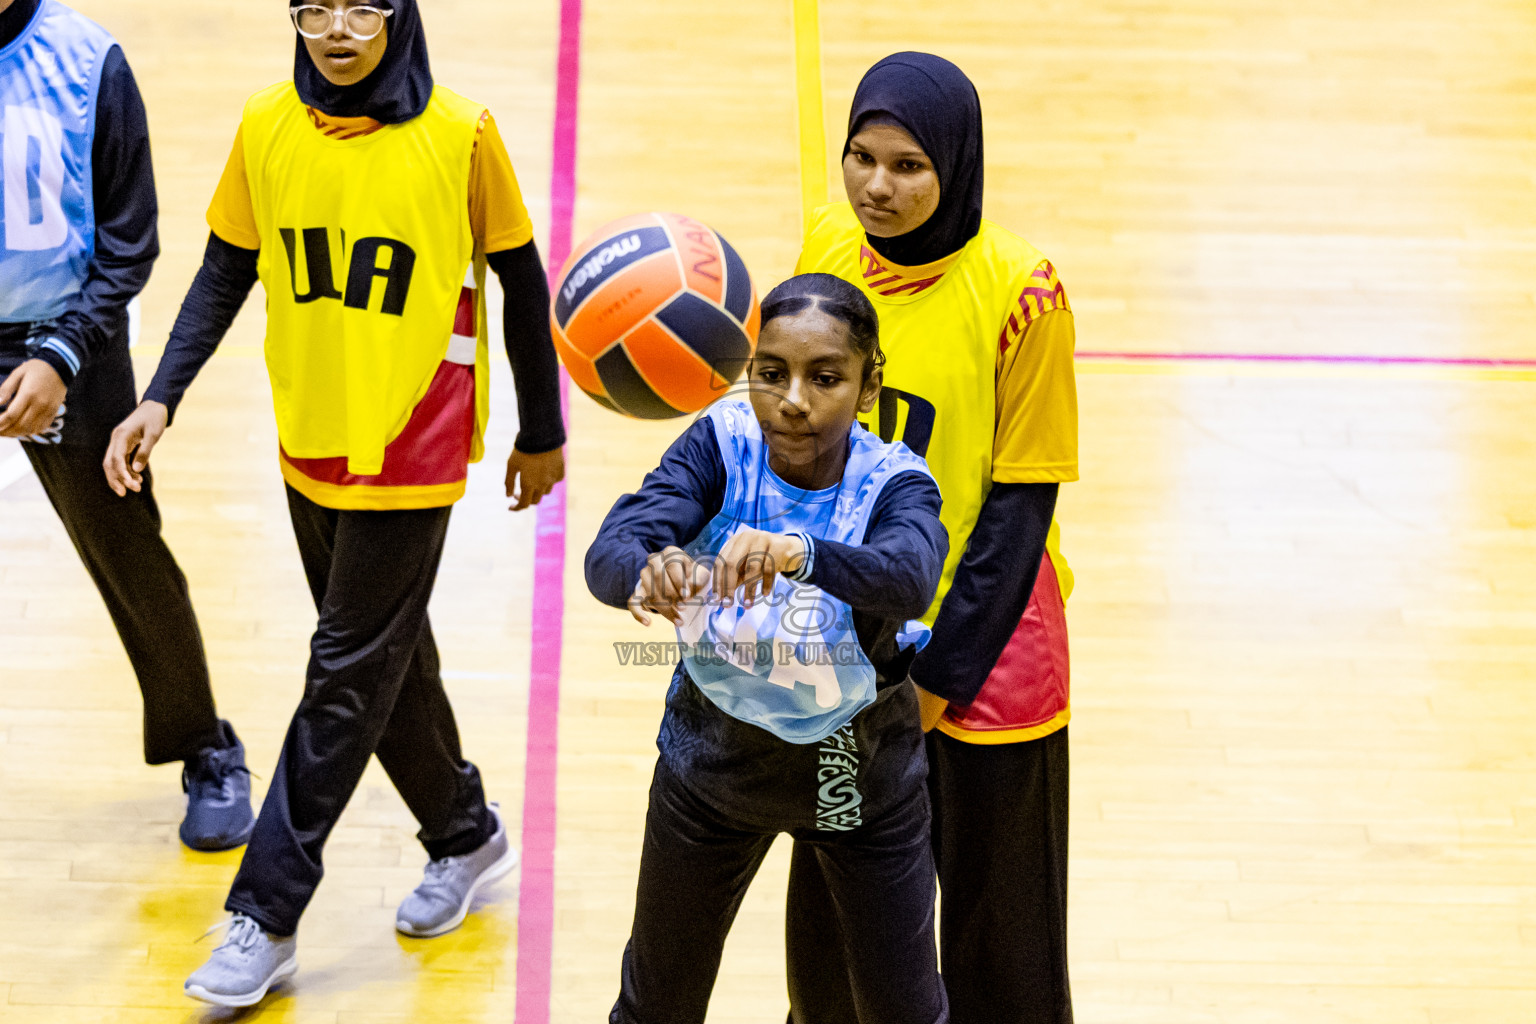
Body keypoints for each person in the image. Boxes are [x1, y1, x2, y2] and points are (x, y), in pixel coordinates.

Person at [102, 0, 566, 1007]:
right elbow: (229, 264)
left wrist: (542, 430)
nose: (339, 28)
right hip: (307, 435)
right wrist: (161, 396)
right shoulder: (266, 121)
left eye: (364, 5)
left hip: (414, 441)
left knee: (344, 674)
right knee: (385, 661)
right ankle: (466, 831)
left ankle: (264, 912)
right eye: (315, 7)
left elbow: (522, 283)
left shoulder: (463, 133)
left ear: (399, 16)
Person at [786, 53, 1080, 1024]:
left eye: (909, 164)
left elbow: (1019, 512)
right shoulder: (825, 245)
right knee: (832, 930)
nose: (878, 185)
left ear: (956, 163)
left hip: (990, 645)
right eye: (862, 157)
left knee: (1003, 945)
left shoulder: (1022, 293)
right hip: (853, 645)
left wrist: (940, 677)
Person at [587, 274, 951, 1024]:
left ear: (869, 384)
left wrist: (798, 551)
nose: (793, 399)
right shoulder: (720, 442)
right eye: (770, 372)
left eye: (825, 378)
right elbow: (611, 550)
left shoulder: (897, 484)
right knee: (654, 1007)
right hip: (711, 775)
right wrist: (650, 569)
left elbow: (910, 578)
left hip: (853, 783)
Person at [0, 0, 253, 850]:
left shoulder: (88, 64)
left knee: (127, 550)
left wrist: (62, 355)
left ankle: (208, 750)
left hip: (65, 347)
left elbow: (129, 242)